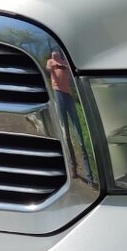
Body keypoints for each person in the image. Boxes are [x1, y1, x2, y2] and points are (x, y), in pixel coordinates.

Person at [46, 49, 91, 179]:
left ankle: (89, 176)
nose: (54, 53)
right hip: (58, 94)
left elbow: (71, 73)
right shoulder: (50, 61)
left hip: (68, 95)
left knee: (79, 133)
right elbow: (49, 68)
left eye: (56, 51)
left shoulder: (65, 63)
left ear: (60, 53)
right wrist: (56, 64)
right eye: (53, 51)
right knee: (66, 134)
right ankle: (73, 168)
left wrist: (63, 65)